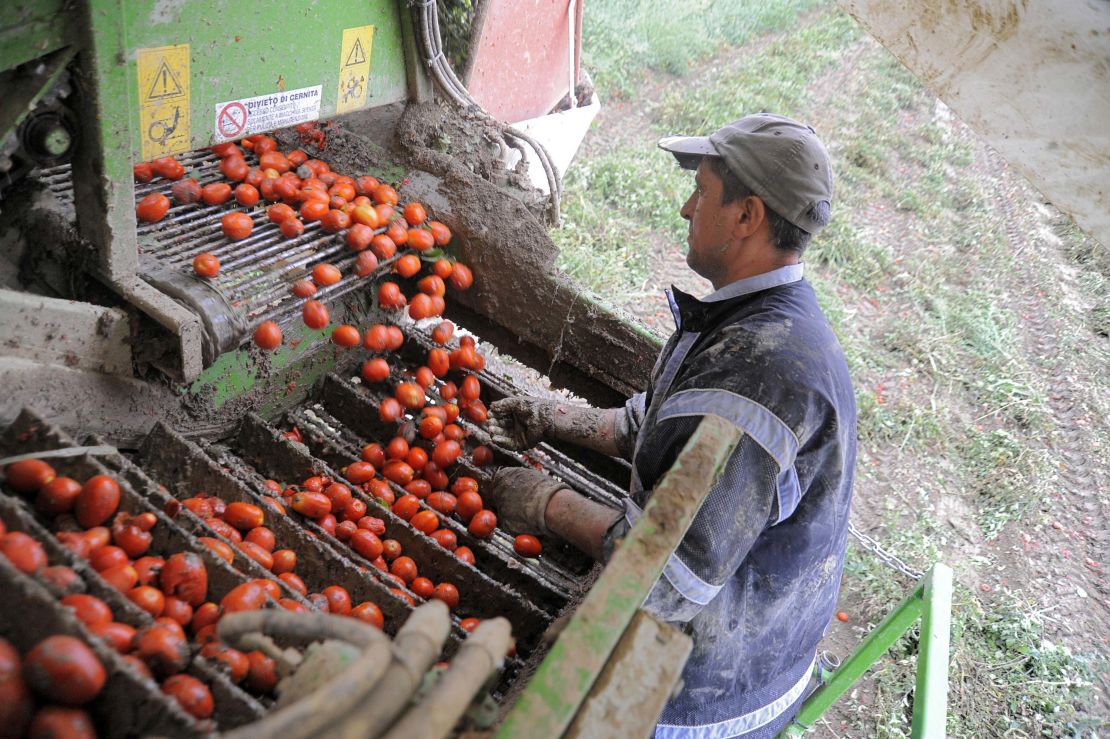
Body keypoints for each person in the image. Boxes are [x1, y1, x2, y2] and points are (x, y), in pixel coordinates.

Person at [486, 113, 857, 738]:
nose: (687, 208)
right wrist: (552, 417)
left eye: (703, 191)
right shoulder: (760, 316)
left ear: (747, 217)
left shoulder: (758, 379)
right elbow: (659, 427)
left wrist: (544, 503)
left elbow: (664, 577)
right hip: (746, 622)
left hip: (712, 687)